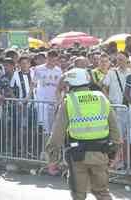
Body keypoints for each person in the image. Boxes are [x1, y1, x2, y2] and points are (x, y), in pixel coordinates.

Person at [46, 68, 121, 200]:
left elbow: (57, 134)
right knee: (102, 192)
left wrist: (52, 159)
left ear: (70, 84)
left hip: (77, 156)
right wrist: (115, 152)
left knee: (78, 193)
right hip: (101, 154)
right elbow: (115, 129)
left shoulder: (68, 101)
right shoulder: (101, 98)